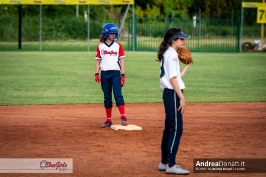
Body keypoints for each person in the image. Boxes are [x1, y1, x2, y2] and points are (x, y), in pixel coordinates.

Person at [157, 28, 191, 175]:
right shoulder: (171, 55)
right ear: (173, 40)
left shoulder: (170, 54)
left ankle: (164, 162)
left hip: (170, 93)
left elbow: (176, 76)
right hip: (173, 94)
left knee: (170, 128)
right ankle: (171, 165)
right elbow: (172, 79)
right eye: (181, 39)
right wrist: (181, 98)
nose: (184, 41)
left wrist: (187, 65)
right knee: (176, 129)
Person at [94, 23, 128, 128]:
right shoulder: (100, 46)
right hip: (104, 74)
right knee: (107, 97)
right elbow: (98, 61)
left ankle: (123, 116)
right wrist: (96, 73)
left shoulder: (118, 45)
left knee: (118, 95)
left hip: (115, 73)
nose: (113, 36)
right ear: (105, 34)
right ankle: (109, 119)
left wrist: (123, 74)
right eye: (111, 34)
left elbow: (121, 61)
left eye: (114, 34)